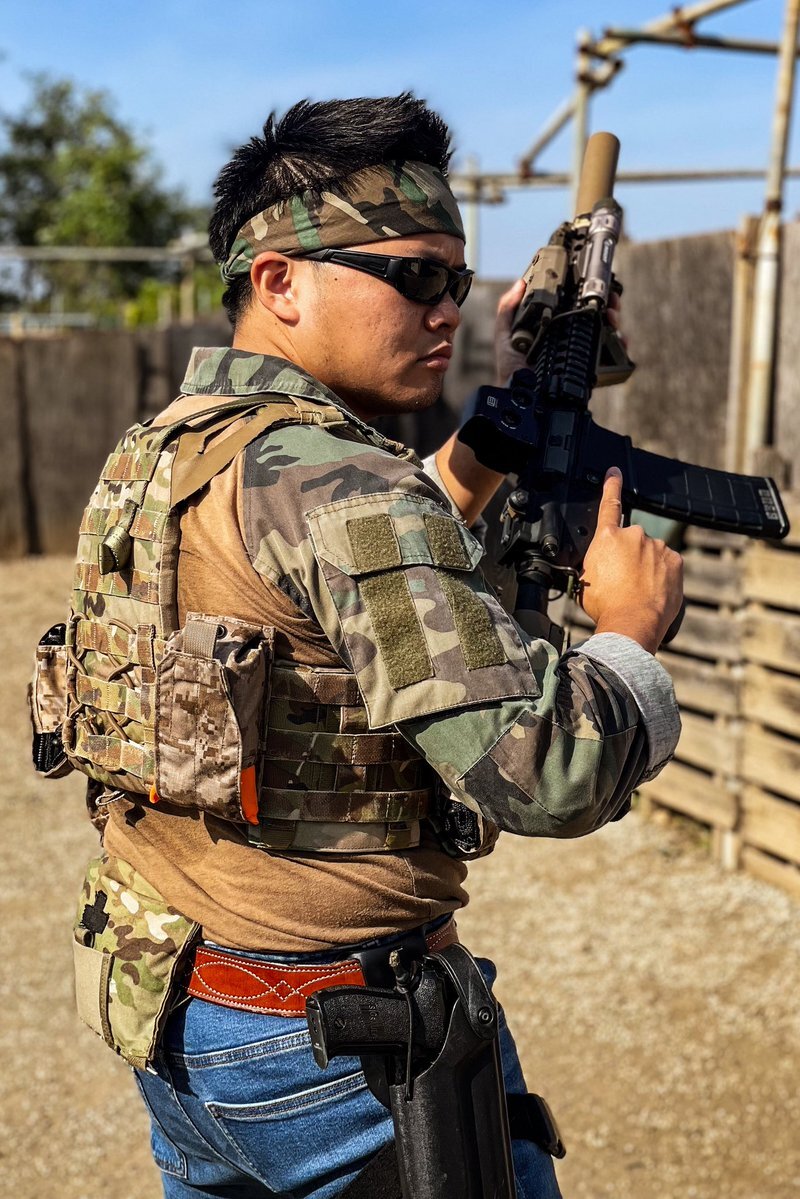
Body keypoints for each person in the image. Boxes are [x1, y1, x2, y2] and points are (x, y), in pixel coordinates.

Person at [55, 94, 682, 1199]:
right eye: (414, 276)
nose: (446, 310)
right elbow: (543, 770)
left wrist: (486, 446)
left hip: (179, 1013)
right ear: (278, 282)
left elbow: (324, 588)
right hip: (339, 1052)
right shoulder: (345, 481)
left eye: (458, 281)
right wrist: (630, 632)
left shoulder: (168, 449)